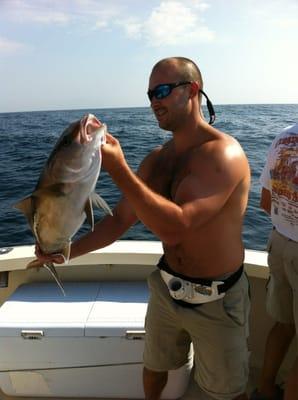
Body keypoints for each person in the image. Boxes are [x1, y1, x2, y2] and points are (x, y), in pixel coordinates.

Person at [36, 57, 251, 400]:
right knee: (153, 371)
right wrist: (62, 254)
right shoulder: (157, 159)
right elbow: (120, 220)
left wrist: (120, 169)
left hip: (219, 299)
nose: (154, 101)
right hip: (167, 288)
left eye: (163, 91)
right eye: (150, 93)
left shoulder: (224, 155)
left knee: (226, 391)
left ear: (192, 90)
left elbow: (177, 227)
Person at [251, 123, 298, 400]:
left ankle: (265, 389)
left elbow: (266, 202)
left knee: (283, 325)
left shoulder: (283, 137)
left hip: (278, 244)